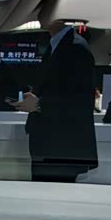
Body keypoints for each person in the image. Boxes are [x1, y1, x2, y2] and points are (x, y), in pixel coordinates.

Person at [12, 19, 97, 182]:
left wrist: (39, 104)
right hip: (52, 144)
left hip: (62, 146)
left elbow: (81, 101)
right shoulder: (58, 45)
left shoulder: (76, 47)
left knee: (52, 193)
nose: (40, 16)